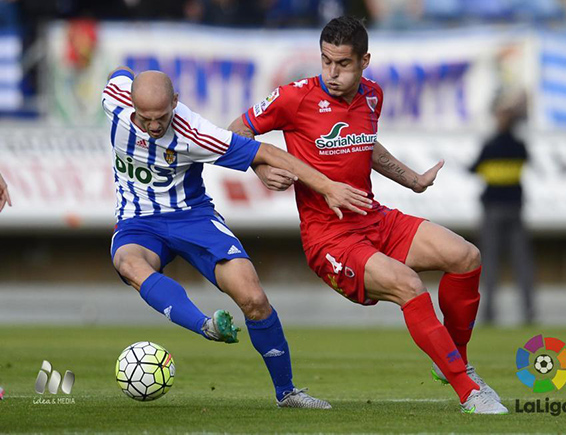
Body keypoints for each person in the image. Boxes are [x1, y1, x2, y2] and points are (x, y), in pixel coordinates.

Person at [229, 16, 508, 414]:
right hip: (330, 239)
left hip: (374, 218)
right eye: (326, 61)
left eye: (343, 64)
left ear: (365, 62)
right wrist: (259, 166)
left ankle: (452, 362)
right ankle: (469, 391)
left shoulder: (372, 96)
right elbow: (234, 132)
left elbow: (365, 145)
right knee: (409, 285)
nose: (332, 72)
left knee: (466, 257)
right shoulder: (293, 97)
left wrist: (411, 179)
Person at [103, 66, 371, 408]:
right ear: (131, 104)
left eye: (161, 117)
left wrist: (327, 187)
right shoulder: (115, 99)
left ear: (176, 102)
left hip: (193, 218)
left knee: (253, 298)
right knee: (128, 262)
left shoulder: (195, 132)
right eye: (145, 119)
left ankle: (287, 392)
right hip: (138, 222)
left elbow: (269, 153)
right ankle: (204, 325)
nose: (154, 127)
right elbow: (119, 73)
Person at [470, 92, 535, 325]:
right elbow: (527, 162)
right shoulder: (519, 146)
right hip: (515, 209)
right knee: (522, 263)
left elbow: (473, 168)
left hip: (492, 210)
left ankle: (489, 314)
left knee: (490, 264)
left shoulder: (491, 145)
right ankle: (528, 313)